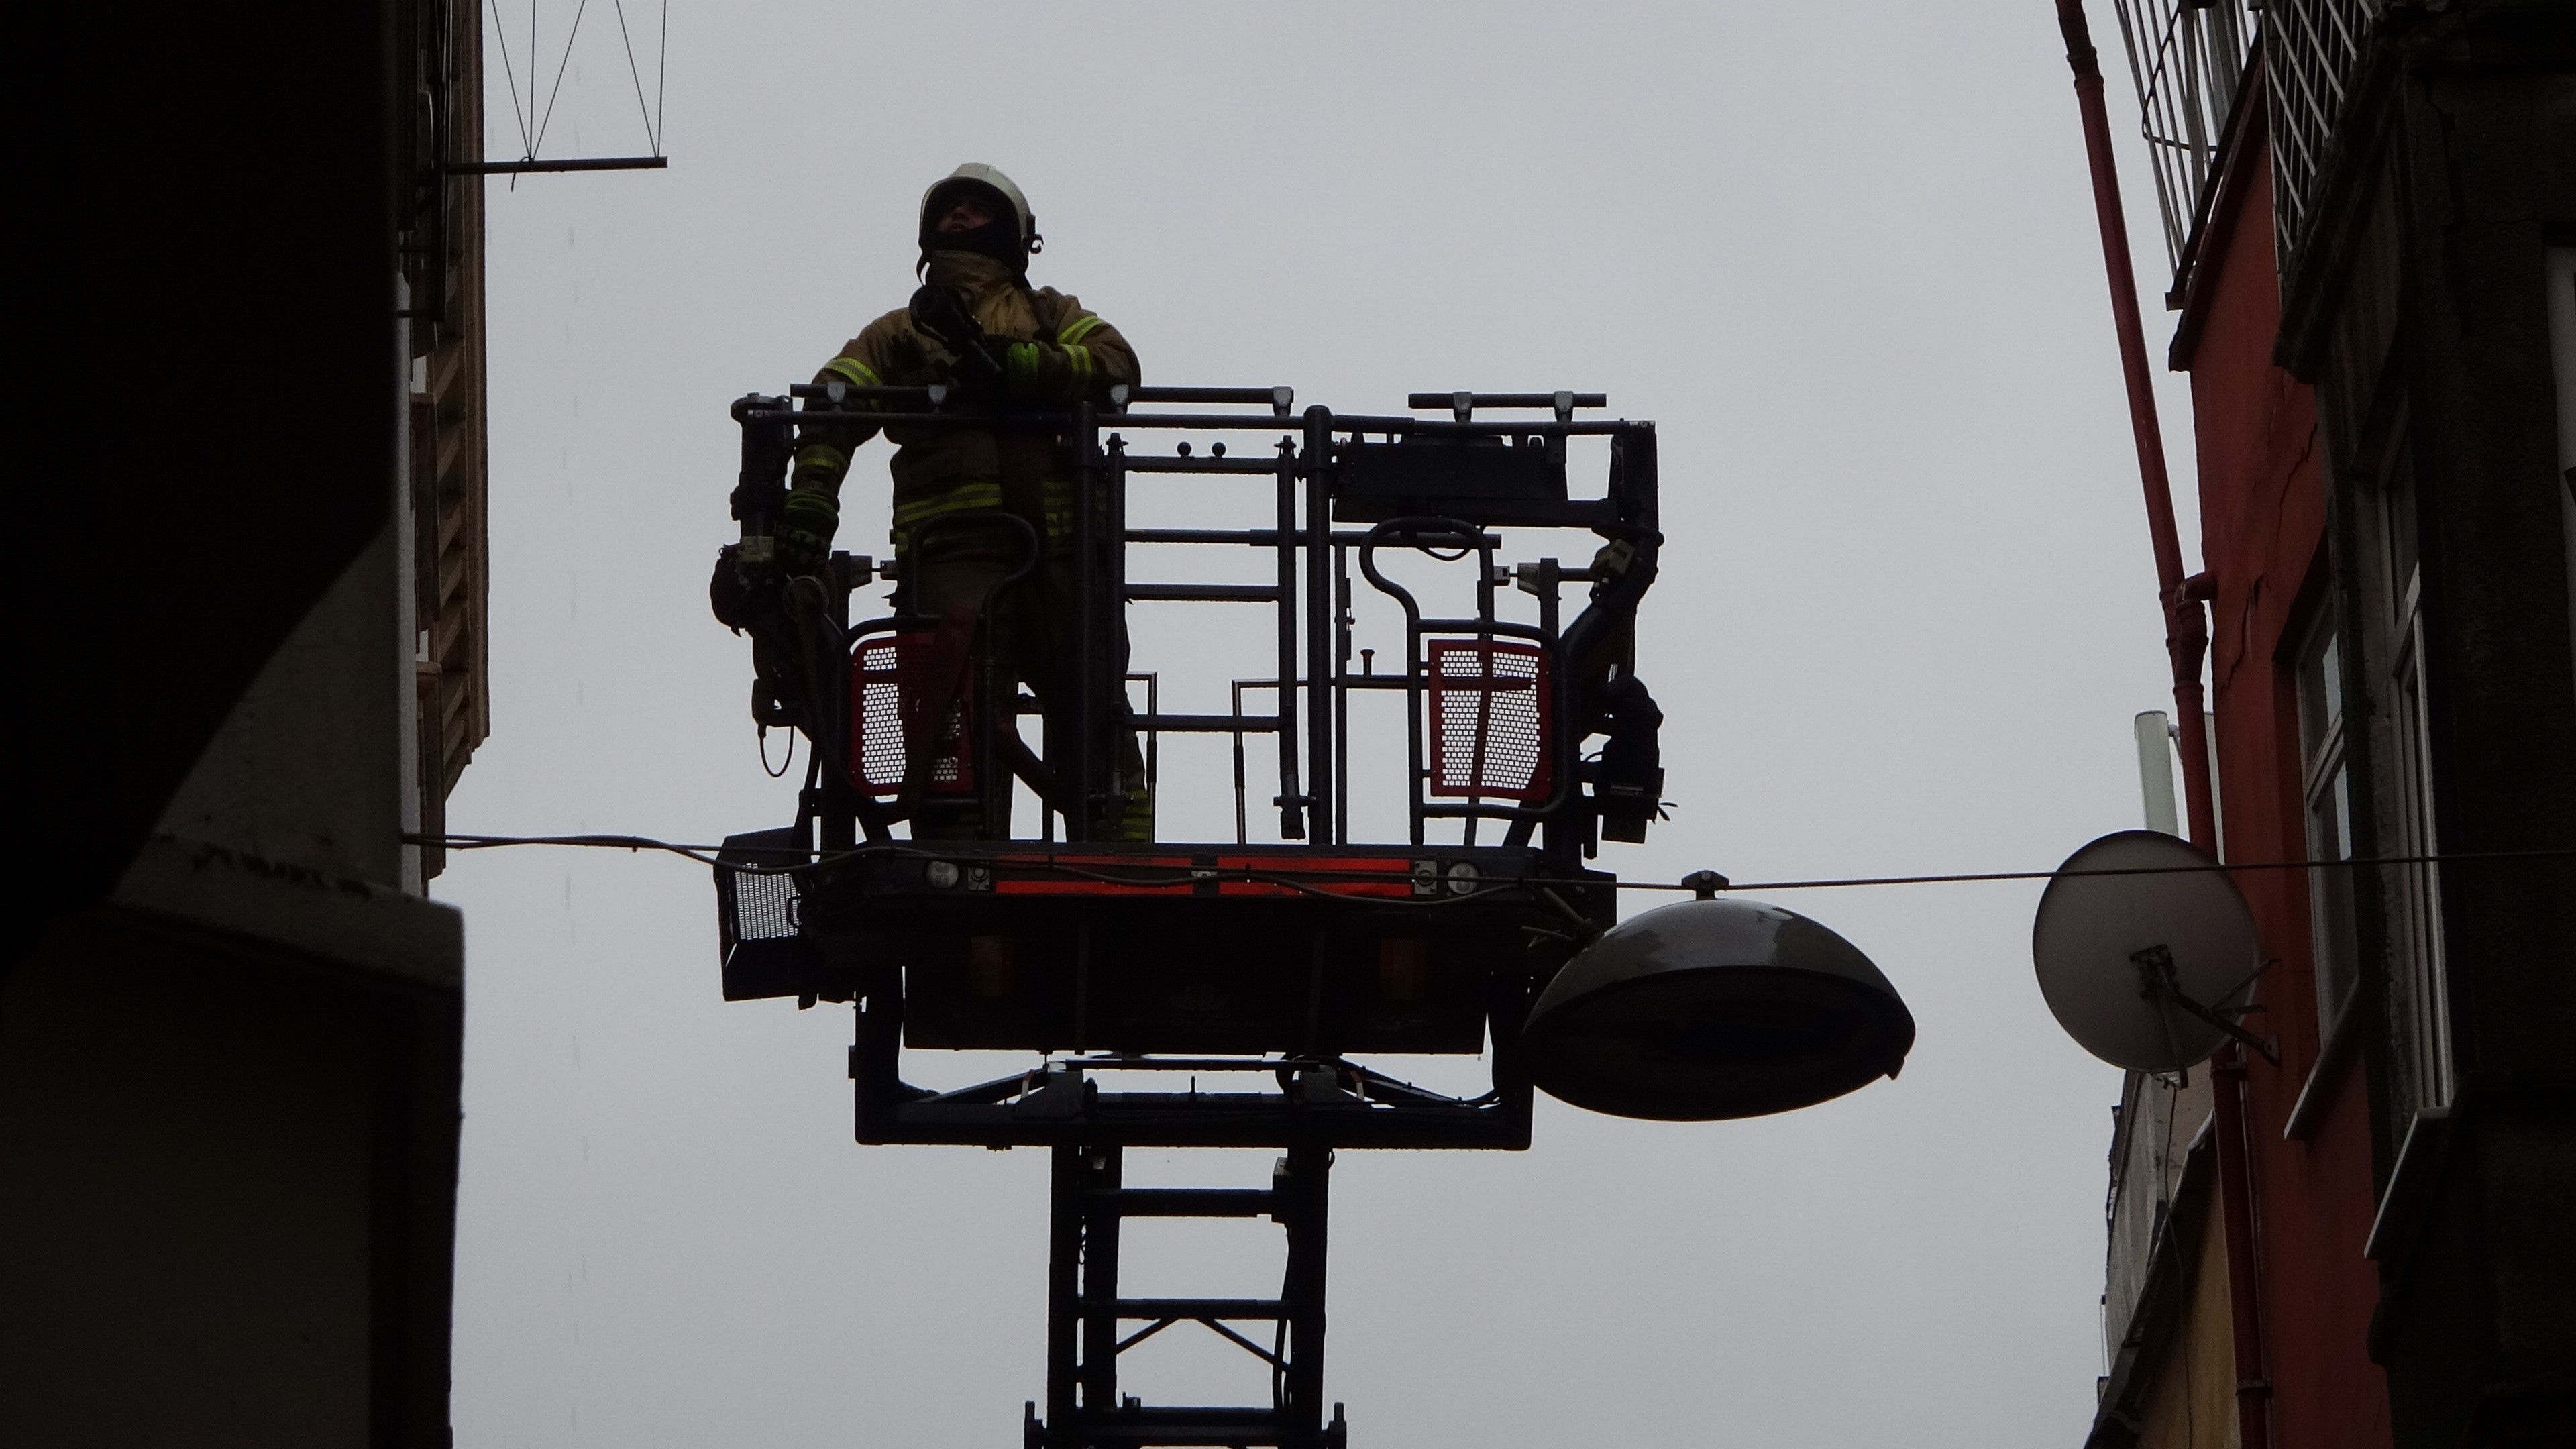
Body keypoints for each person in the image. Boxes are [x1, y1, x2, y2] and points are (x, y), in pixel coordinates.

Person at [782, 164, 1148, 841]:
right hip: (952, 556)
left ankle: (1124, 855)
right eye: (951, 209)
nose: (960, 216)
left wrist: (1024, 366)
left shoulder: (1050, 314)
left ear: (1011, 233)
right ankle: (964, 853)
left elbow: (1118, 365)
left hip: (1063, 555)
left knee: (1095, 707)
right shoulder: (900, 332)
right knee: (958, 714)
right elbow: (835, 402)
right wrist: (811, 500)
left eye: (977, 208)